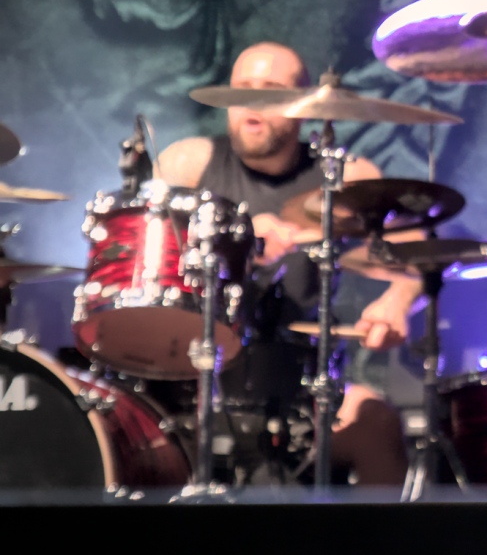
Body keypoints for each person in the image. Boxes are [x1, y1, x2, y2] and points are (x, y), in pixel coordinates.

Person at [159, 42, 419, 486]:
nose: (252, 101)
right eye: (242, 88)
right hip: (192, 378)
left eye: (271, 89)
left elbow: (417, 256)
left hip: (305, 388)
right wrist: (236, 241)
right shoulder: (188, 164)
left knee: (377, 425)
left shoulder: (346, 177)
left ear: (305, 105)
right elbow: (151, 259)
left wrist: (398, 300)